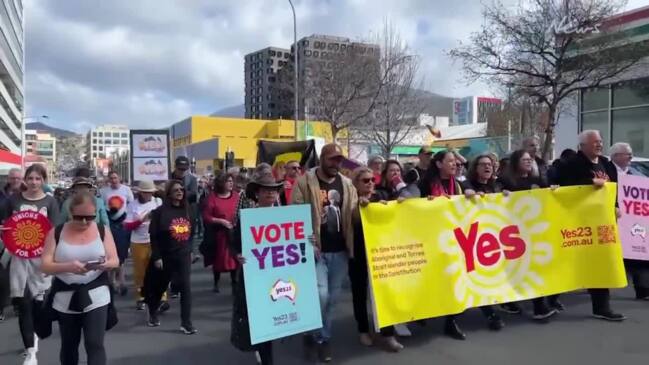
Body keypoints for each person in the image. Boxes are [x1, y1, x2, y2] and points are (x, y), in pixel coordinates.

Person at [419, 150, 504, 339]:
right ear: (439, 164)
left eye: (456, 162)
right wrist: (417, 201)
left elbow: (468, 193)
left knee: (464, 278)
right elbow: (409, 196)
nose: (454, 164)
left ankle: (453, 321)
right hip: (433, 239)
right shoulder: (426, 182)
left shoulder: (457, 183)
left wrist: (471, 193)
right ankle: (420, 312)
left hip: (457, 239)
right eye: (450, 161)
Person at [292, 143, 357, 363]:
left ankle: (322, 338)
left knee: (333, 299)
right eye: (332, 159)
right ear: (322, 159)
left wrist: (370, 206)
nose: (336, 164)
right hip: (316, 250)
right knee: (321, 295)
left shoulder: (347, 184)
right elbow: (295, 213)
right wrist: (306, 240)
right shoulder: (304, 182)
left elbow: (354, 213)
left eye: (339, 160)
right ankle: (311, 333)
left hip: (340, 251)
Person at [40, 192, 120, 365]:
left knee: (94, 344)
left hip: (97, 294)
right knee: (69, 345)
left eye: (89, 217)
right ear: (70, 213)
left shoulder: (102, 230)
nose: (84, 222)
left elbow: (115, 260)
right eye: (78, 217)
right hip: (65, 296)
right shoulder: (57, 232)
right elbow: (45, 265)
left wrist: (104, 264)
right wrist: (68, 266)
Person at [556, 130, 625, 321]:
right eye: (595, 142)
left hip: (601, 224)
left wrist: (616, 205)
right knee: (570, 262)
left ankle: (602, 308)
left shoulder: (606, 164)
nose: (599, 145)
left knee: (600, 263)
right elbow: (563, 186)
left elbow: (612, 190)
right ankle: (548, 299)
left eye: (600, 141)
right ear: (583, 145)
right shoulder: (572, 164)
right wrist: (588, 182)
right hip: (578, 224)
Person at [0, 164, 60, 365]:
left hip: (42, 258)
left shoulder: (51, 202)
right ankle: (30, 351)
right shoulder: (13, 200)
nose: (34, 182)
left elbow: (54, 231)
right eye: (31, 178)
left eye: (38, 179)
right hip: (18, 258)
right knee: (23, 303)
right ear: (25, 180)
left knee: (39, 304)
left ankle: (36, 332)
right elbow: (5, 225)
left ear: (43, 180)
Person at [229, 174, 286, 364]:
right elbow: (234, 243)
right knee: (260, 319)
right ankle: (265, 356)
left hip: (279, 276)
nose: (270, 193)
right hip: (255, 276)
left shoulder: (288, 217)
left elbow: (298, 241)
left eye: (274, 190)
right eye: (266, 190)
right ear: (257, 193)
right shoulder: (248, 218)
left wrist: (309, 240)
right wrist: (237, 255)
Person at [498, 149, 559, 320]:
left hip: (532, 231)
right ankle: (511, 301)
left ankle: (540, 307)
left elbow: (545, 196)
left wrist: (553, 190)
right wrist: (501, 194)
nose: (529, 161)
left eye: (530, 159)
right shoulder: (505, 180)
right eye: (525, 159)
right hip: (512, 232)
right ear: (516, 162)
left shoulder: (536, 180)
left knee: (534, 268)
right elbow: (494, 197)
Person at [349, 166, 404, 351]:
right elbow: (350, 221)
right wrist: (359, 207)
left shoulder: (381, 196)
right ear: (355, 183)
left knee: (384, 292)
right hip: (357, 253)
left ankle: (388, 334)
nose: (371, 183)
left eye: (372, 179)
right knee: (359, 293)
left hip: (380, 253)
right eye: (365, 180)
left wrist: (403, 204)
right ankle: (363, 330)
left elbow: (393, 212)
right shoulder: (349, 200)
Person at [143, 180, 196, 334]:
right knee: (160, 286)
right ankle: (153, 311)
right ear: (169, 193)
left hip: (183, 255)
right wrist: (157, 256)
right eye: (175, 190)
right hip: (165, 255)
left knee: (186, 287)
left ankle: (186, 323)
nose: (179, 192)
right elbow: (154, 235)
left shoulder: (188, 210)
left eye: (181, 189)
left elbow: (192, 233)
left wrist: (191, 249)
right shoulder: (160, 212)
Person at [609, 142, 649, 300]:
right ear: (616, 156)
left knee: (639, 254)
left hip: (634, 222)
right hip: (613, 220)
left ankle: (643, 289)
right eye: (627, 153)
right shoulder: (607, 171)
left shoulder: (637, 175)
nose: (631, 156)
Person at [123, 180, 163, 311]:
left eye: (150, 192)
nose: (148, 195)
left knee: (159, 269)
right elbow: (127, 226)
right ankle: (141, 297)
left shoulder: (158, 202)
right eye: (146, 193)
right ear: (140, 193)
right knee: (141, 272)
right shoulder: (132, 205)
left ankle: (161, 297)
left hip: (155, 240)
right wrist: (142, 219)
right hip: (139, 241)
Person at [202, 172, 239, 293]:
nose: (231, 183)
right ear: (221, 183)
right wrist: (220, 221)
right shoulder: (213, 197)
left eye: (231, 181)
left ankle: (235, 282)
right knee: (218, 260)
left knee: (235, 259)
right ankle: (216, 282)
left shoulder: (236, 196)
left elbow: (241, 211)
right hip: (219, 234)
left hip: (234, 232)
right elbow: (207, 216)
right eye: (228, 181)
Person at [99, 171, 133, 296]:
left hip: (123, 224)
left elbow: (131, 205)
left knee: (121, 253)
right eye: (111, 178)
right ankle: (112, 281)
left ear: (119, 178)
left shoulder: (126, 190)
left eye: (115, 177)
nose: (113, 180)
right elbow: (101, 208)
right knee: (110, 252)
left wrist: (128, 220)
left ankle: (121, 281)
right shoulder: (103, 191)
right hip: (110, 224)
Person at [0, 167, 23, 322]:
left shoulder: (27, 195)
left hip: (22, 240)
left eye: (18, 178)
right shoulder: (1, 195)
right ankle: (1, 307)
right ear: (8, 179)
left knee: (19, 275)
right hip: (2, 239)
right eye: (12, 178)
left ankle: (17, 304)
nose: (15, 180)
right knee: (2, 275)